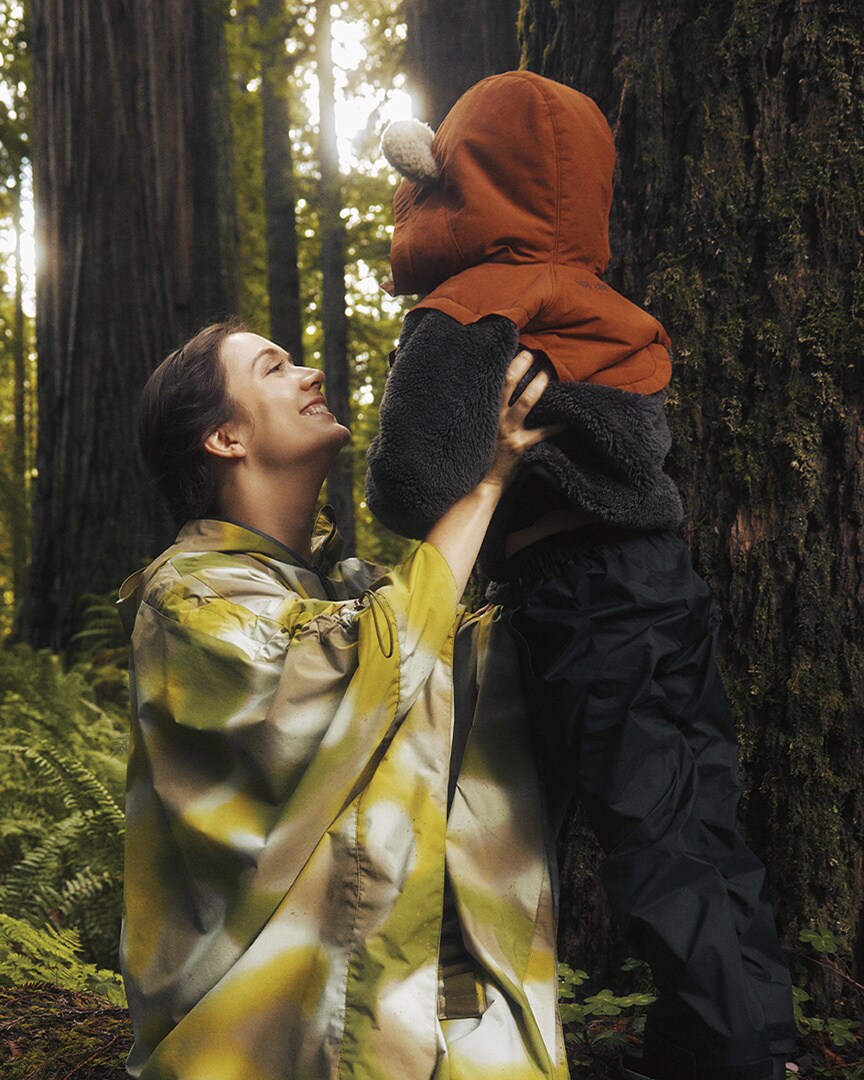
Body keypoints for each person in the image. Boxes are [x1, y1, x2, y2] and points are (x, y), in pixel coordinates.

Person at [366, 71, 797, 1080]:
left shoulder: (471, 306)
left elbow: (410, 483)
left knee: (650, 824)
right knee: (701, 810)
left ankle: (729, 1057)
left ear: (463, 178)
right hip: (662, 578)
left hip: (583, 595)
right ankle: (748, 1040)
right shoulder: (606, 309)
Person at [117, 320, 571, 1079]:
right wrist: (487, 483)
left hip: (427, 1010)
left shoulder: (340, 588)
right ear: (226, 438)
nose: (310, 374)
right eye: (274, 369)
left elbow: (457, 648)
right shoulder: (189, 596)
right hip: (260, 1040)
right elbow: (370, 657)